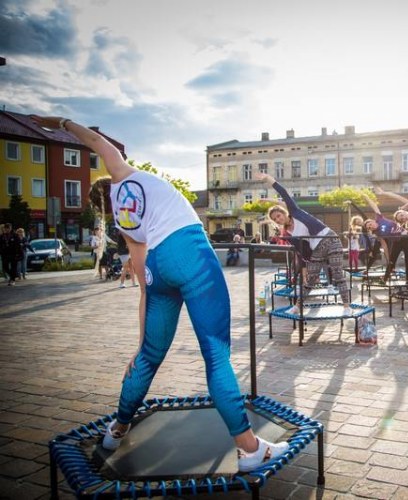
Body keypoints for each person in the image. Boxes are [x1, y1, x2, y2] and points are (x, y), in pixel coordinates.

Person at [31, 115, 288, 472]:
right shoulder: (126, 174)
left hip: (159, 267)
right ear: (111, 178)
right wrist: (61, 123)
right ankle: (248, 448)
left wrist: (140, 345)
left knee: (150, 357)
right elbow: (96, 141)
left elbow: (142, 284)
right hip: (191, 253)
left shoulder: (124, 222)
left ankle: (116, 430)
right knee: (216, 357)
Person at [253, 172, 351, 315]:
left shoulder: (296, 212)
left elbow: (284, 193)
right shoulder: (287, 233)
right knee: (310, 280)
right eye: (275, 219)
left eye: (279, 215)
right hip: (316, 248)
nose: (278, 219)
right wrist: (304, 268)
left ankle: (347, 307)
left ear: (285, 212)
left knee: (337, 274)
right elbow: (300, 251)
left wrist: (268, 179)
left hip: (330, 240)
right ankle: (297, 307)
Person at [362, 195, 408, 286]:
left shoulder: (379, 218)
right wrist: (387, 257)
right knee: (391, 261)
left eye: (370, 224)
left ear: (372, 221)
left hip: (406, 238)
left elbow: (374, 206)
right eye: (369, 227)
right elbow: (384, 246)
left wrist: (367, 198)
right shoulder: (378, 233)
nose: (370, 226)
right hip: (396, 242)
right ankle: (385, 279)